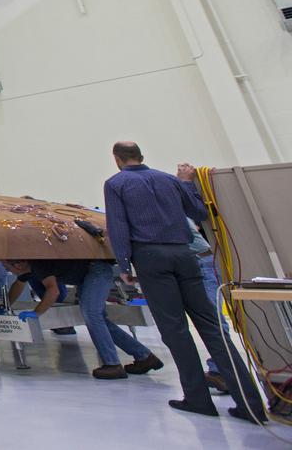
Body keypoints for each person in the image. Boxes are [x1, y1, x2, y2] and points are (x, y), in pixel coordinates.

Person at [104, 142, 267, 423]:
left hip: (151, 258)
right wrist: (187, 184)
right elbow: (199, 212)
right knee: (212, 328)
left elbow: (118, 226)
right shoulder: (170, 180)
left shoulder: (116, 183)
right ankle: (251, 404)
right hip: (185, 255)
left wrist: (124, 265)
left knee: (175, 330)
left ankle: (197, 398)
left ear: (117, 159)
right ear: (142, 157)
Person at [2, 258, 162, 379]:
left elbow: (53, 291)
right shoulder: (28, 269)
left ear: (19, 265)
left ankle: (112, 365)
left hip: (97, 271)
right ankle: (144, 357)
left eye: (8, 267)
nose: (8, 270)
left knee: (92, 315)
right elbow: (19, 284)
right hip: (89, 275)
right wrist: (5, 306)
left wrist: (37, 313)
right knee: (99, 319)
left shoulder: (38, 265)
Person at [179, 163, 230, 394]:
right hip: (195, 262)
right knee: (211, 317)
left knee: (213, 318)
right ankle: (222, 370)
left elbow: (196, 211)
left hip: (202, 262)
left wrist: (185, 182)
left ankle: (223, 371)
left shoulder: (175, 205)